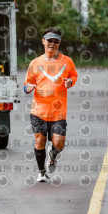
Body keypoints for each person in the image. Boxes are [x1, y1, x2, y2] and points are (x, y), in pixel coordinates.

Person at [24, 27, 78, 182]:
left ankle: (53, 154)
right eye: (50, 41)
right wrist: (28, 88)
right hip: (38, 111)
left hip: (58, 112)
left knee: (59, 143)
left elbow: (74, 75)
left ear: (59, 43)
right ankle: (41, 172)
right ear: (43, 41)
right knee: (39, 140)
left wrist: (70, 81)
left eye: (56, 41)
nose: (52, 44)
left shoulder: (67, 61)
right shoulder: (35, 63)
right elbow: (27, 83)